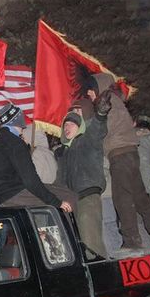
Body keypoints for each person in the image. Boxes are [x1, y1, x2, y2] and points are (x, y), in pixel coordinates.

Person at [92, 72, 150, 253]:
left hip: (119, 154)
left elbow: (103, 127)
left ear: (98, 86)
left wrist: (97, 115)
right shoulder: (118, 101)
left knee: (122, 197)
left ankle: (132, 243)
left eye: (91, 89)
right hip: (129, 153)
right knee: (141, 199)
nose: (89, 93)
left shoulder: (106, 100)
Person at [0, 103, 76, 212]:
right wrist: (57, 202)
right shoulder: (15, 142)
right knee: (69, 196)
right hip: (15, 194)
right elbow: (30, 180)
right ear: (17, 119)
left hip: (1, 197)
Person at [54, 95, 111, 258]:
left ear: (80, 126)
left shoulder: (87, 140)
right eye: (65, 124)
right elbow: (60, 181)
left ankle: (101, 274)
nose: (67, 126)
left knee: (91, 243)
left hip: (87, 196)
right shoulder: (62, 152)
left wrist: (100, 114)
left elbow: (97, 129)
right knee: (77, 247)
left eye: (72, 123)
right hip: (72, 201)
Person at [135, 115, 150, 198]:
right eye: (140, 128)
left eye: (145, 128)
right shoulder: (130, 139)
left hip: (149, 186)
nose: (142, 130)